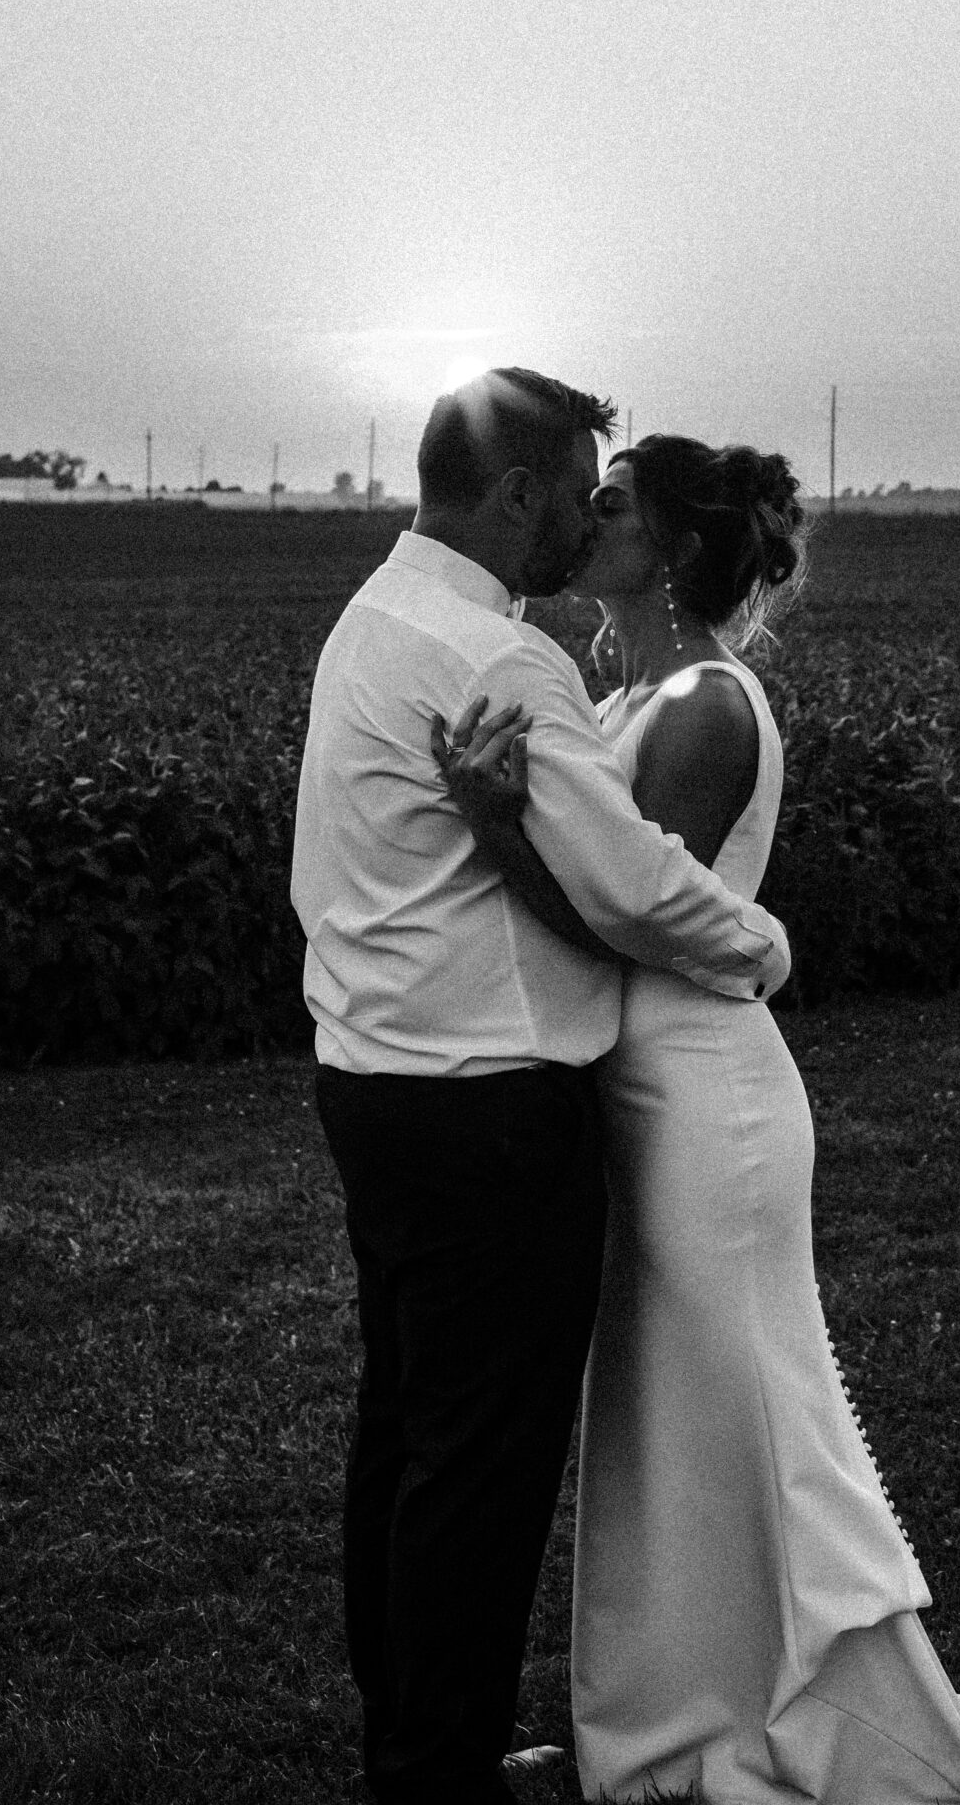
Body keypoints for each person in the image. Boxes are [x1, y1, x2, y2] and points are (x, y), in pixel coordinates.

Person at [437, 434, 960, 1804]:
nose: (583, 520)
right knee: (661, 1425)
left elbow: (627, 923)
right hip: (637, 1094)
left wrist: (494, 830)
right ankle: (660, 1721)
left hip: (705, 1099)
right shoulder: (620, 691)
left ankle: (816, 1713)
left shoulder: (710, 707)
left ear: (661, 548)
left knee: (746, 1415)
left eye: (611, 507)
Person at [290, 372, 793, 1805]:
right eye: (578, 486)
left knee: (406, 1439)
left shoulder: (375, 617)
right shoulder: (499, 664)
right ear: (516, 494)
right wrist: (761, 943)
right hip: (494, 1114)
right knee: (480, 1473)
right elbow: (636, 889)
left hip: (375, 1083)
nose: (587, 512)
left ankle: (412, 1742)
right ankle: (437, 1774)